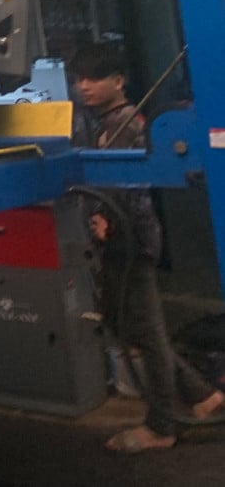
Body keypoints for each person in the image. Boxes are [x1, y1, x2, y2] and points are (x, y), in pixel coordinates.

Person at [70, 42, 225, 454]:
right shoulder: (102, 122)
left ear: (118, 81)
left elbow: (131, 186)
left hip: (129, 241)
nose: (84, 86)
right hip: (119, 239)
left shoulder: (127, 124)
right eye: (80, 79)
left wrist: (107, 219)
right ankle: (201, 394)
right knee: (128, 326)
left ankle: (162, 426)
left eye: (94, 78)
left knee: (147, 336)